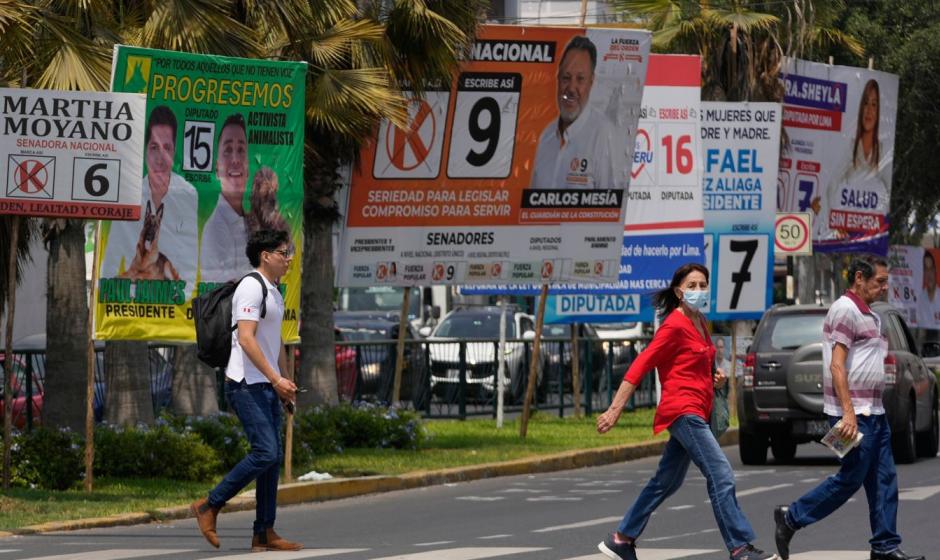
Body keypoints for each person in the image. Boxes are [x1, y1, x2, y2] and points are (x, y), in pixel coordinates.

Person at [596, 263, 777, 560]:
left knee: (666, 482)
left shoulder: (701, 322)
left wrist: (716, 376)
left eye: (703, 285)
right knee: (721, 475)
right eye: (692, 286)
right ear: (679, 292)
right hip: (683, 411)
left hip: (698, 409)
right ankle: (740, 547)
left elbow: (702, 364)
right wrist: (615, 409)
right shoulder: (673, 326)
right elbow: (642, 364)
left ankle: (621, 538)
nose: (699, 290)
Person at [773, 257, 923, 560]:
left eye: (885, 282)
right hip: (852, 415)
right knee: (851, 477)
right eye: (878, 281)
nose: (883, 288)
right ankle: (791, 518)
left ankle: (885, 546)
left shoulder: (871, 314)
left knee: (884, 479)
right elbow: (837, 366)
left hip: (874, 413)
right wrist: (848, 413)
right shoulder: (845, 310)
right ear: (859, 278)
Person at [191, 229, 302, 552]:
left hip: (265, 384)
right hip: (244, 384)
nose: (289, 258)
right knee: (265, 451)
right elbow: (248, 339)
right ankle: (209, 505)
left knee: (272, 458)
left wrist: (284, 381)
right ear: (265, 256)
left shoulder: (274, 291)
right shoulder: (251, 288)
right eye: (284, 253)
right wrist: (274, 378)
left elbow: (274, 342)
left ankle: (264, 531)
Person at [101, 105, 198, 294]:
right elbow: (109, 266)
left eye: (167, 148)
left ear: (175, 151)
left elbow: (190, 273)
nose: (160, 158)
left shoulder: (188, 194)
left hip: (173, 308)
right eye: (154, 147)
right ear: (145, 150)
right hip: (130, 306)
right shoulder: (127, 194)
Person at [529, 35, 626, 190]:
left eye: (580, 79)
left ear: (591, 82)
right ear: (558, 80)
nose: (571, 88)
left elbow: (611, 207)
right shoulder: (546, 137)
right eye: (566, 78)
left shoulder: (603, 134)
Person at [812, 79, 889, 242]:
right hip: (848, 224)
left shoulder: (883, 150)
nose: (869, 110)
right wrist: (835, 221)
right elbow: (831, 184)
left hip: (870, 228)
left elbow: (887, 190)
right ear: (861, 108)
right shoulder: (851, 147)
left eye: (874, 105)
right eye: (866, 103)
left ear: (879, 111)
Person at [200, 113, 253, 283]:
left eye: (241, 150)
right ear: (217, 168)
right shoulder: (214, 230)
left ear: (248, 168)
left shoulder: (250, 223)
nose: (236, 159)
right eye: (228, 150)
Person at [916, 249, 939, 328]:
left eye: (931, 268)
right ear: (923, 273)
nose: (929, 273)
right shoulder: (920, 299)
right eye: (926, 269)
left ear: (935, 271)